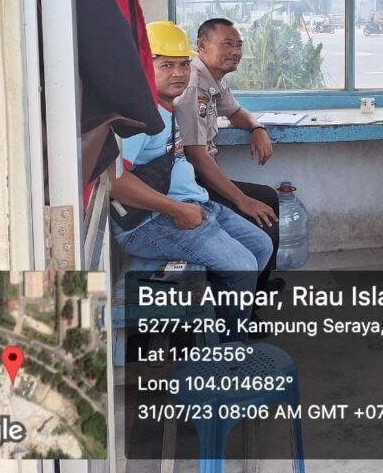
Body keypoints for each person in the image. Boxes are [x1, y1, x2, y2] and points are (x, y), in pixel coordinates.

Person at [109, 21, 272, 327]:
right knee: (242, 265)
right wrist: (177, 209)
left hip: (192, 204)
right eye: (166, 65)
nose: (178, 73)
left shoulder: (164, 106)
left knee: (261, 245)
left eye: (184, 65)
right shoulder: (139, 118)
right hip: (152, 221)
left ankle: (222, 320)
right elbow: (114, 181)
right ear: (143, 66)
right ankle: (228, 346)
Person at [174, 18, 284, 295]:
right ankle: (252, 297)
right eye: (227, 44)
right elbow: (195, 154)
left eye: (238, 45)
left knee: (267, 199)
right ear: (202, 45)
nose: (235, 52)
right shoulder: (192, 85)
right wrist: (241, 200)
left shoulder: (212, 80)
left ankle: (258, 285)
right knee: (261, 205)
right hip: (190, 185)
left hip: (200, 175)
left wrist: (257, 128)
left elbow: (235, 112)